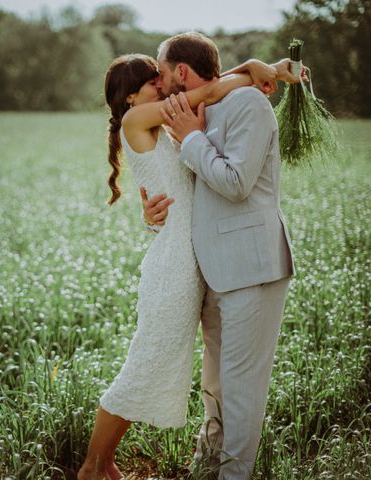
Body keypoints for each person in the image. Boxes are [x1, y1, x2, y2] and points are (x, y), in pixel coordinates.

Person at [77, 40, 300, 480]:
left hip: (197, 261)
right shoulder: (137, 118)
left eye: (162, 77)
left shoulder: (164, 121)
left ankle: (107, 464)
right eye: (152, 81)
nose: (162, 86)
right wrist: (260, 67)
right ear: (128, 96)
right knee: (145, 362)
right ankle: (92, 466)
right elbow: (207, 92)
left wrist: (253, 69)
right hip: (175, 265)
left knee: (161, 362)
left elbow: (206, 90)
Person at [140, 32, 297, 480]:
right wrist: (152, 215)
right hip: (210, 272)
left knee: (242, 389)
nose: (158, 78)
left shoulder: (249, 105)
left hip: (253, 267)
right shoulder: (191, 115)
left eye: (162, 70)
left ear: (182, 72)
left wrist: (192, 138)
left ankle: (233, 475)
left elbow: (234, 183)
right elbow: (188, 197)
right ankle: (204, 468)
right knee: (214, 386)